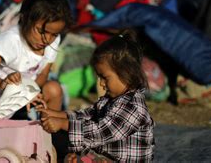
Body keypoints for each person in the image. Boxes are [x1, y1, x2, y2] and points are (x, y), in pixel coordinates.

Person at [37, 29, 155, 162]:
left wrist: (62, 123)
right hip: (104, 156)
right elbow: (88, 115)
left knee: (67, 140)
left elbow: (99, 132)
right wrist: (57, 114)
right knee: (67, 146)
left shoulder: (133, 108)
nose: (101, 84)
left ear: (126, 73)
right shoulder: (111, 100)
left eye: (105, 78)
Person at [0, 0, 73, 111]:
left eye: (54, 34)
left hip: (20, 98)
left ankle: (49, 128)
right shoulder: (12, 40)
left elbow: (43, 74)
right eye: (41, 31)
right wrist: (1, 83)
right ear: (25, 18)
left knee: (54, 89)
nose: (47, 39)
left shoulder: (53, 40)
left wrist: (30, 93)